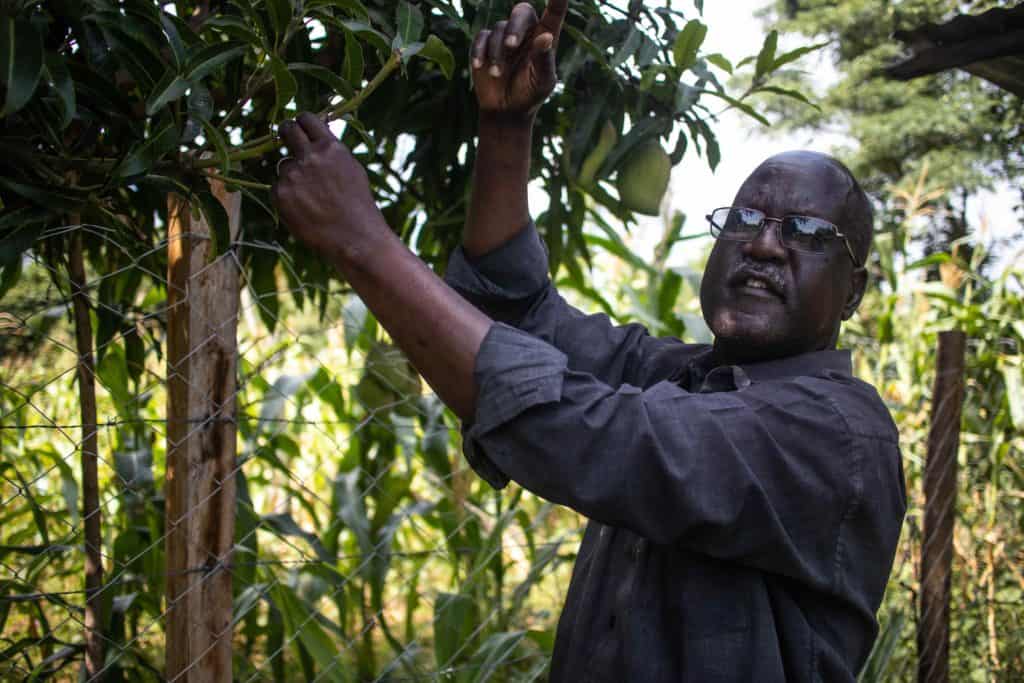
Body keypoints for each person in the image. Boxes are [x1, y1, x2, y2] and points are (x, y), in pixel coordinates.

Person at [271, 1, 906, 679]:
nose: (761, 243)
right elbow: (514, 313)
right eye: (746, 216)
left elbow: (593, 435)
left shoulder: (836, 434)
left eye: (805, 233)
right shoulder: (681, 375)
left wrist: (361, 240)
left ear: (854, 292)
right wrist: (507, 126)